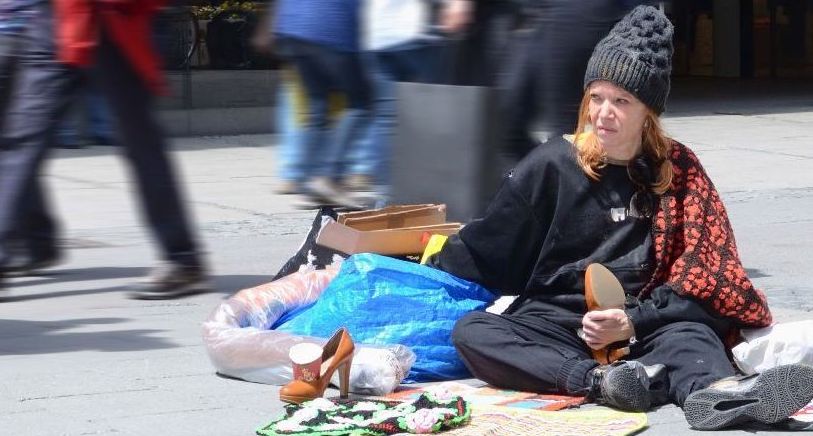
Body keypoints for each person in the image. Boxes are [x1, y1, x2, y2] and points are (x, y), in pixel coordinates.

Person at [428, 5, 813, 430]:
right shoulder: (552, 163)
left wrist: (632, 320)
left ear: (648, 110)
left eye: (621, 101)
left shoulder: (679, 170)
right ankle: (604, 382)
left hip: (648, 320)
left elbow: (713, 276)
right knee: (475, 333)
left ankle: (719, 396)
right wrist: (407, 263)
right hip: (560, 322)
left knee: (692, 336)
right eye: (596, 97)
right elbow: (486, 248)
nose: (603, 113)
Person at [0, 0, 209, 299]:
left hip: (110, 18)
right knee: (20, 139)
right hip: (55, 17)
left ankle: (183, 258)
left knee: (140, 142)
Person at [271, 0, 372, 207]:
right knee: (360, 104)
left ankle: (310, 183)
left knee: (318, 107)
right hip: (331, 28)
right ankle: (328, 177)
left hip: (294, 31)